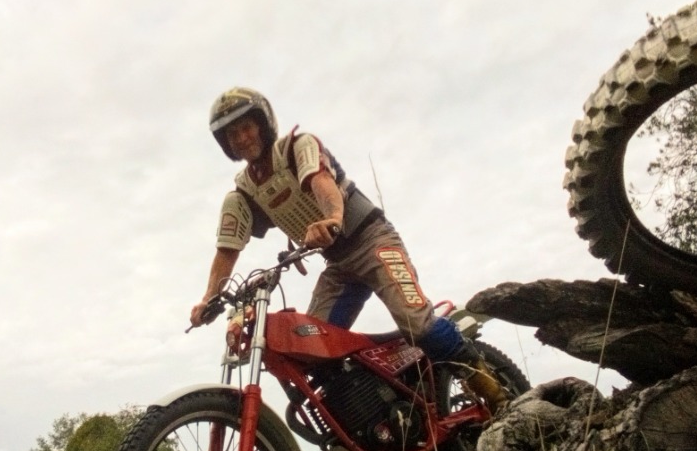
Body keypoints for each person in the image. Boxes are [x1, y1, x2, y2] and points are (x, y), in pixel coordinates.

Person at [189, 87, 506, 408]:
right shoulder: (244, 191)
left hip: (373, 240)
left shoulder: (297, 147)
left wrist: (332, 218)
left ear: (263, 124)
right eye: (232, 135)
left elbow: (321, 182)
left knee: (417, 324)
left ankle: (497, 394)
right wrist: (208, 298)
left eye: (246, 127)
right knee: (311, 346)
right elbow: (227, 248)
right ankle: (373, 406)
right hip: (339, 265)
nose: (242, 138)